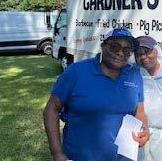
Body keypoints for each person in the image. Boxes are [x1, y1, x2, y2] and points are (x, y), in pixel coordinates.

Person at [43, 28, 149, 161]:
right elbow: (51, 109)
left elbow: (139, 112)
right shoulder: (76, 72)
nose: (121, 53)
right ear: (103, 46)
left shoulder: (134, 75)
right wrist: (57, 153)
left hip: (123, 157)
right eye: (115, 47)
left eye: (127, 50)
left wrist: (144, 128)